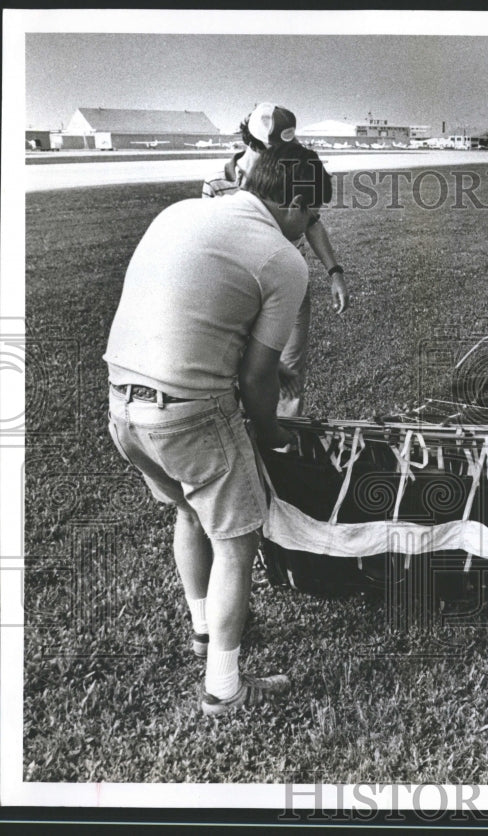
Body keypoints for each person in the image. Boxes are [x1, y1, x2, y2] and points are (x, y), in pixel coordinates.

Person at [105, 143, 333, 716]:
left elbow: (193, 313)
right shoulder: (283, 260)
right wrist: (271, 434)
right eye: (310, 217)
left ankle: (203, 627)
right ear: (297, 202)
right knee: (237, 539)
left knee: (189, 511)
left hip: (123, 406)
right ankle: (224, 690)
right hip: (187, 414)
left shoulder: (181, 211)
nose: (308, 230)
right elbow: (257, 382)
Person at [204, 102, 349, 416]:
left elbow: (310, 220)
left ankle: (286, 441)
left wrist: (334, 271)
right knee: (240, 369)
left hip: (289, 284)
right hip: (241, 291)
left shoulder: (291, 171)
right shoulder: (217, 182)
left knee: (289, 371)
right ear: (255, 143)